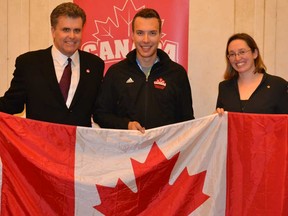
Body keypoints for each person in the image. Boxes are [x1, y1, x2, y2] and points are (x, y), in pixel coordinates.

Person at [0, 2, 104, 127]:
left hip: (79, 145)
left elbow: (101, 111)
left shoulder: (95, 65)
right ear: (53, 31)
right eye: (66, 30)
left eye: (77, 30)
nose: (72, 36)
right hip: (39, 145)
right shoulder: (29, 63)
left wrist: (126, 124)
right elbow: (11, 104)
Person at [95, 8, 194, 133]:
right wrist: (126, 125)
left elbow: (187, 121)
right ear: (132, 35)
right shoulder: (116, 72)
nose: (146, 40)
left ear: (160, 35)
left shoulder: (177, 74)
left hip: (164, 151)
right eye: (140, 33)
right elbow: (100, 114)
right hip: (126, 150)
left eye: (152, 33)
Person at [216, 33, 288, 114]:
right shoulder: (224, 88)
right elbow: (220, 124)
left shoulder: (278, 85)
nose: (237, 58)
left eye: (242, 52)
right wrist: (216, 118)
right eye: (232, 54)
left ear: (255, 53)